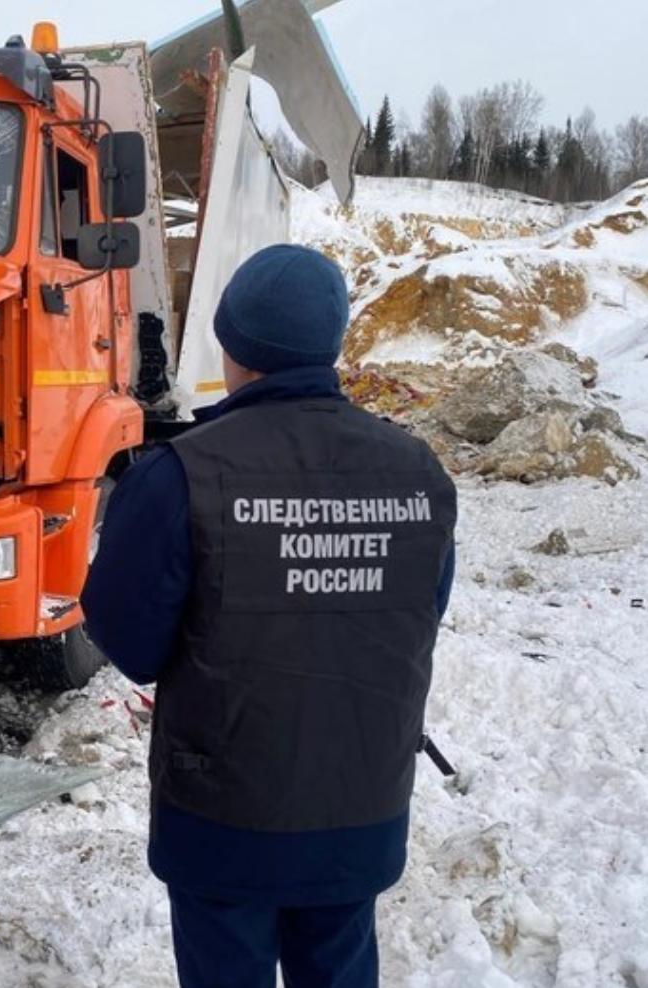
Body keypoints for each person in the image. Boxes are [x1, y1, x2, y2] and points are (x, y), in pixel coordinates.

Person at [81, 244, 457, 988]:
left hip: (225, 819)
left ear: (231, 344)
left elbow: (127, 639)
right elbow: (419, 612)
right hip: (360, 805)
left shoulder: (182, 474)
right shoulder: (419, 474)